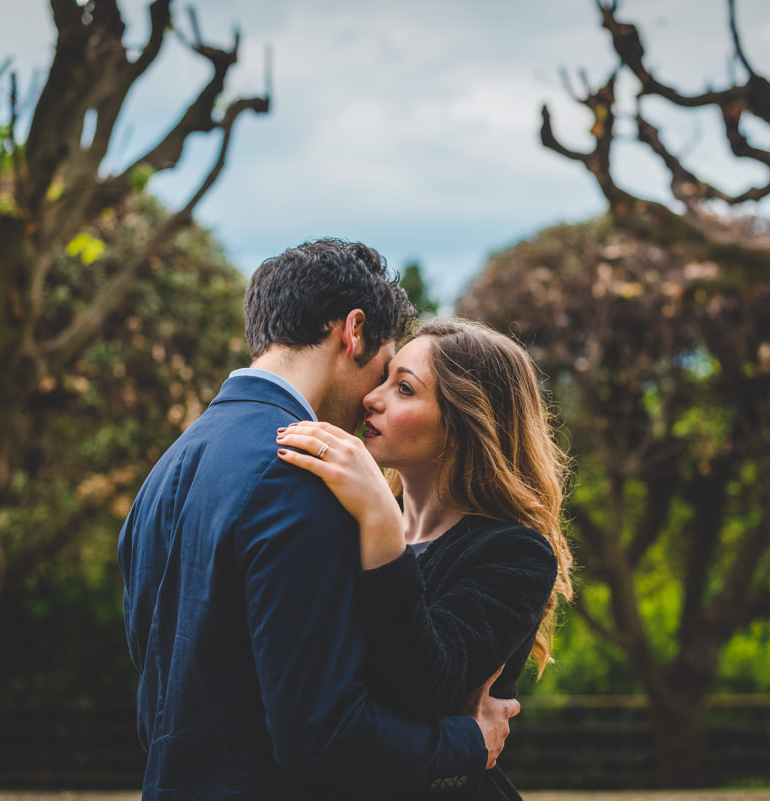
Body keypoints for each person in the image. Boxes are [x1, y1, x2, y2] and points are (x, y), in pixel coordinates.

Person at [118, 240, 521, 800]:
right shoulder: (301, 471)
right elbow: (321, 733)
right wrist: (467, 744)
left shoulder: (169, 468)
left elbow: (160, 697)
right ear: (352, 333)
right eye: (385, 371)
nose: (373, 400)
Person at [275, 317, 575, 800]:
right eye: (385, 379)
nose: (373, 397)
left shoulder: (517, 553)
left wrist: (379, 518)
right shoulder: (340, 526)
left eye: (405, 390)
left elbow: (420, 685)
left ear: (462, 425)